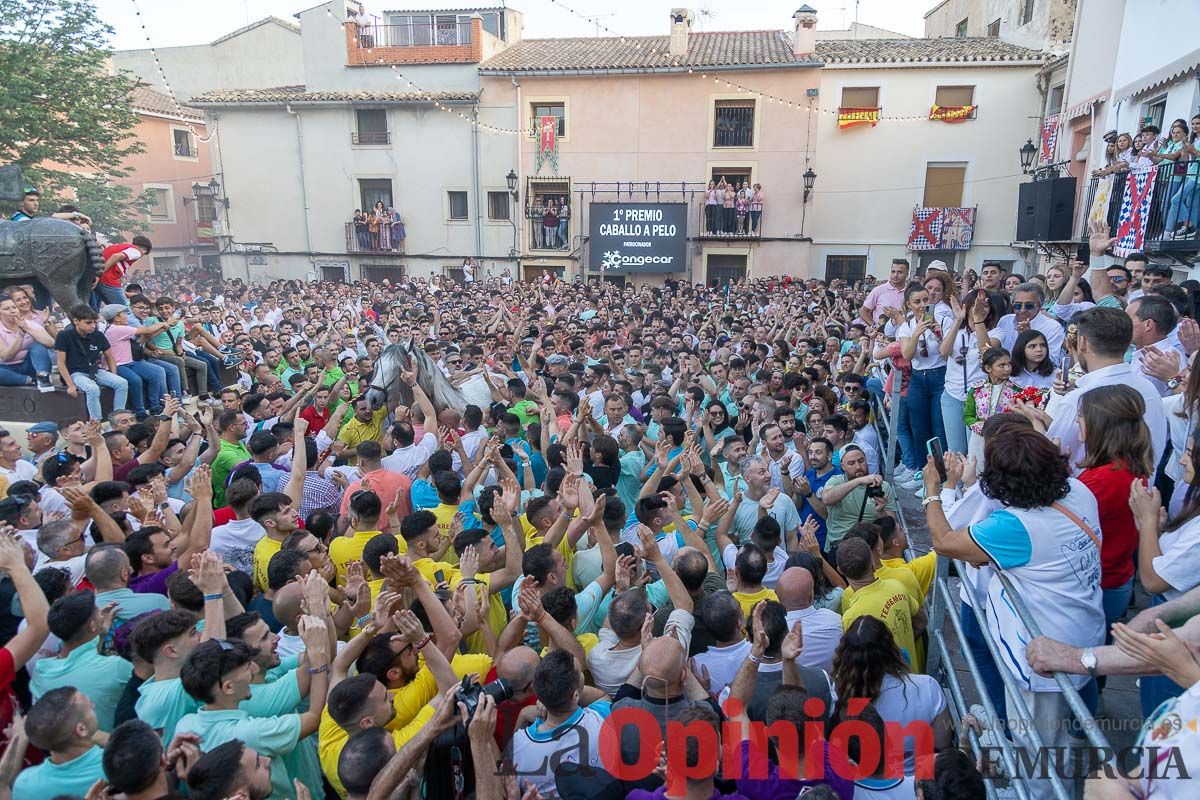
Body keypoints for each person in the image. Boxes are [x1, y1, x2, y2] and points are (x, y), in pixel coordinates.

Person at [922, 425, 1103, 800]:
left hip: (1045, 655)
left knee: (1037, 747)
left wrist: (932, 492)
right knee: (1057, 737)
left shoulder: (1015, 526)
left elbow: (944, 541)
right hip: (1083, 629)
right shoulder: (1080, 492)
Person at [55, 304, 129, 419]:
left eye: (95, 322)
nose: (93, 326)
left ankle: (118, 418)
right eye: (88, 323)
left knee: (122, 383)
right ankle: (96, 423)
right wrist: (70, 385)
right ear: (76, 321)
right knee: (92, 389)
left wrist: (113, 374)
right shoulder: (64, 335)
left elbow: (109, 356)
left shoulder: (98, 335)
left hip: (95, 371)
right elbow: (61, 362)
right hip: (75, 373)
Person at [962, 346, 1021, 465]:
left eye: (1009, 364)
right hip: (979, 438)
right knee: (977, 468)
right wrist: (981, 428)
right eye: (1001, 365)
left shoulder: (1017, 391)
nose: (1007, 368)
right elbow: (968, 416)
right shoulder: (976, 389)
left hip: (1005, 438)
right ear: (988, 368)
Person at [97, 236, 152, 308]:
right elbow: (116, 256)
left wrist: (125, 293)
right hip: (108, 280)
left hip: (99, 281)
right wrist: (100, 272)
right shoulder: (137, 251)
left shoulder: (118, 247)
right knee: (124, 311)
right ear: (144, 250)